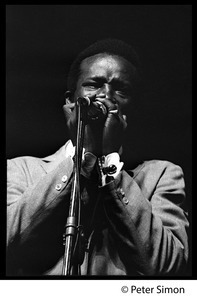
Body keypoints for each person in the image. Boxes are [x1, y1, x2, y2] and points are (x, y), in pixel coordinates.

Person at [7, 38, 189, 276]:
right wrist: (83, 159)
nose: (105, 96)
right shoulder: (21, 169)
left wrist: (110, 161)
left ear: (132, 108)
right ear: (71, 101)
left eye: (121, 89)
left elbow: (167, 267)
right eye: (94, 84)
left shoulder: (162, 175)